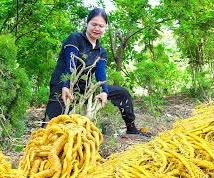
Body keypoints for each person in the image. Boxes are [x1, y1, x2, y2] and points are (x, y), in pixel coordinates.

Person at [43, 8, 147, 136]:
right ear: (87, 23)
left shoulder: (101, 51)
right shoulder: (75, 38)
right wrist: (65, 85)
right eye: (94, 24)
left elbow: (100, 73)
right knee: (51, 127)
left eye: (101, 26)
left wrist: (104, 91)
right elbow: (72, 63)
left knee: (122, 93)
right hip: (61, 85)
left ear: (105, 28)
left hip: (85, 88)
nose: (97, 28)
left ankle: (131, 128)